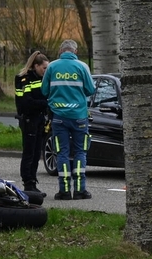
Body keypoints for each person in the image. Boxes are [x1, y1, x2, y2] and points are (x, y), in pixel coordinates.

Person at [41, 39, 96, 201]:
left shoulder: (51, 67)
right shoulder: (82, 66)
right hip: (79, 116)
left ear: (60, 51)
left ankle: (64, 191)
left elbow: (44, 91)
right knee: (80, 152)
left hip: (58, 118)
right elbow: (90, 90)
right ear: (75, 52)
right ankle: (80, 190)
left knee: (62, 152)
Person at [14, 51, 50, 196]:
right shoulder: (24, 79)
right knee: (29, 153)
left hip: (40, 119)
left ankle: (33, 182)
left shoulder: (41, 78)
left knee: (36, 153)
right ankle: (28, 183)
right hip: (29, 119)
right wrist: (46, 104)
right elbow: (26, 102)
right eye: (44, 68)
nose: (45, 71)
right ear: (36, 66)